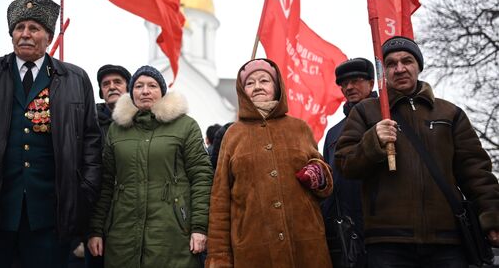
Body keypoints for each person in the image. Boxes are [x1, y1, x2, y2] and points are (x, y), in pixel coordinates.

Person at [0, 0, 102, 268]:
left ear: (49, 36)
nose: (25, 35)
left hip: (50, 219)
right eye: (19, 28)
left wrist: (83, 195)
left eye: (34, 28)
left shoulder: (75, 80)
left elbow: (91, 143)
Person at [335, 36, 499, 267]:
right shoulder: (365, 112)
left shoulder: (450, 113)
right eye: (391, 64)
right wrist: (372, 142)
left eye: (407, 61)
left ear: (418, 65)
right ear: (384, 72)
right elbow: (344, 164)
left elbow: (476, 172)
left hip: (448, 242)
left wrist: (492, 217)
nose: (400, 69)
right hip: (387, 242)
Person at [206, 58, 333, 268]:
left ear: (276, 86)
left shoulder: (299, 128)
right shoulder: (232, 135)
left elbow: (324, 183)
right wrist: (219, 257)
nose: (257, 87)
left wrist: (319, 174)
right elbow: (220, 200)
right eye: (249, 82)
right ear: (242, 91)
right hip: (253, 250)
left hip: (305, 246)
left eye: (264, 80)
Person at [87, 65, 213, 268]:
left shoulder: (185, 126)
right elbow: (106, 183)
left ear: (162, 92)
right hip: (123, 234)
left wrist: (200, 227)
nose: (145, 91)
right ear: (131, 92)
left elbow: (201, 177)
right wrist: (96, 230)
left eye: (152, 85)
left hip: (173, 234)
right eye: (139, 86)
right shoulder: (117, 130)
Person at [322, 58, 376, 267]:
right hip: (347, 230)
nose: (349, 87)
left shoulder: (387, 117)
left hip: (387, 228)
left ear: (371, 83)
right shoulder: (333, 133)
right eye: (344, 83)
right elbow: (331, 182)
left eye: (356, 80)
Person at [82, 64, 131, 268]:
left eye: (118, 82)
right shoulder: (87, 123)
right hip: (97, 214)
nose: (111, 87)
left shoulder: (141, 122)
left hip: (129, 214)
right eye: (106, 84)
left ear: (129, 88)